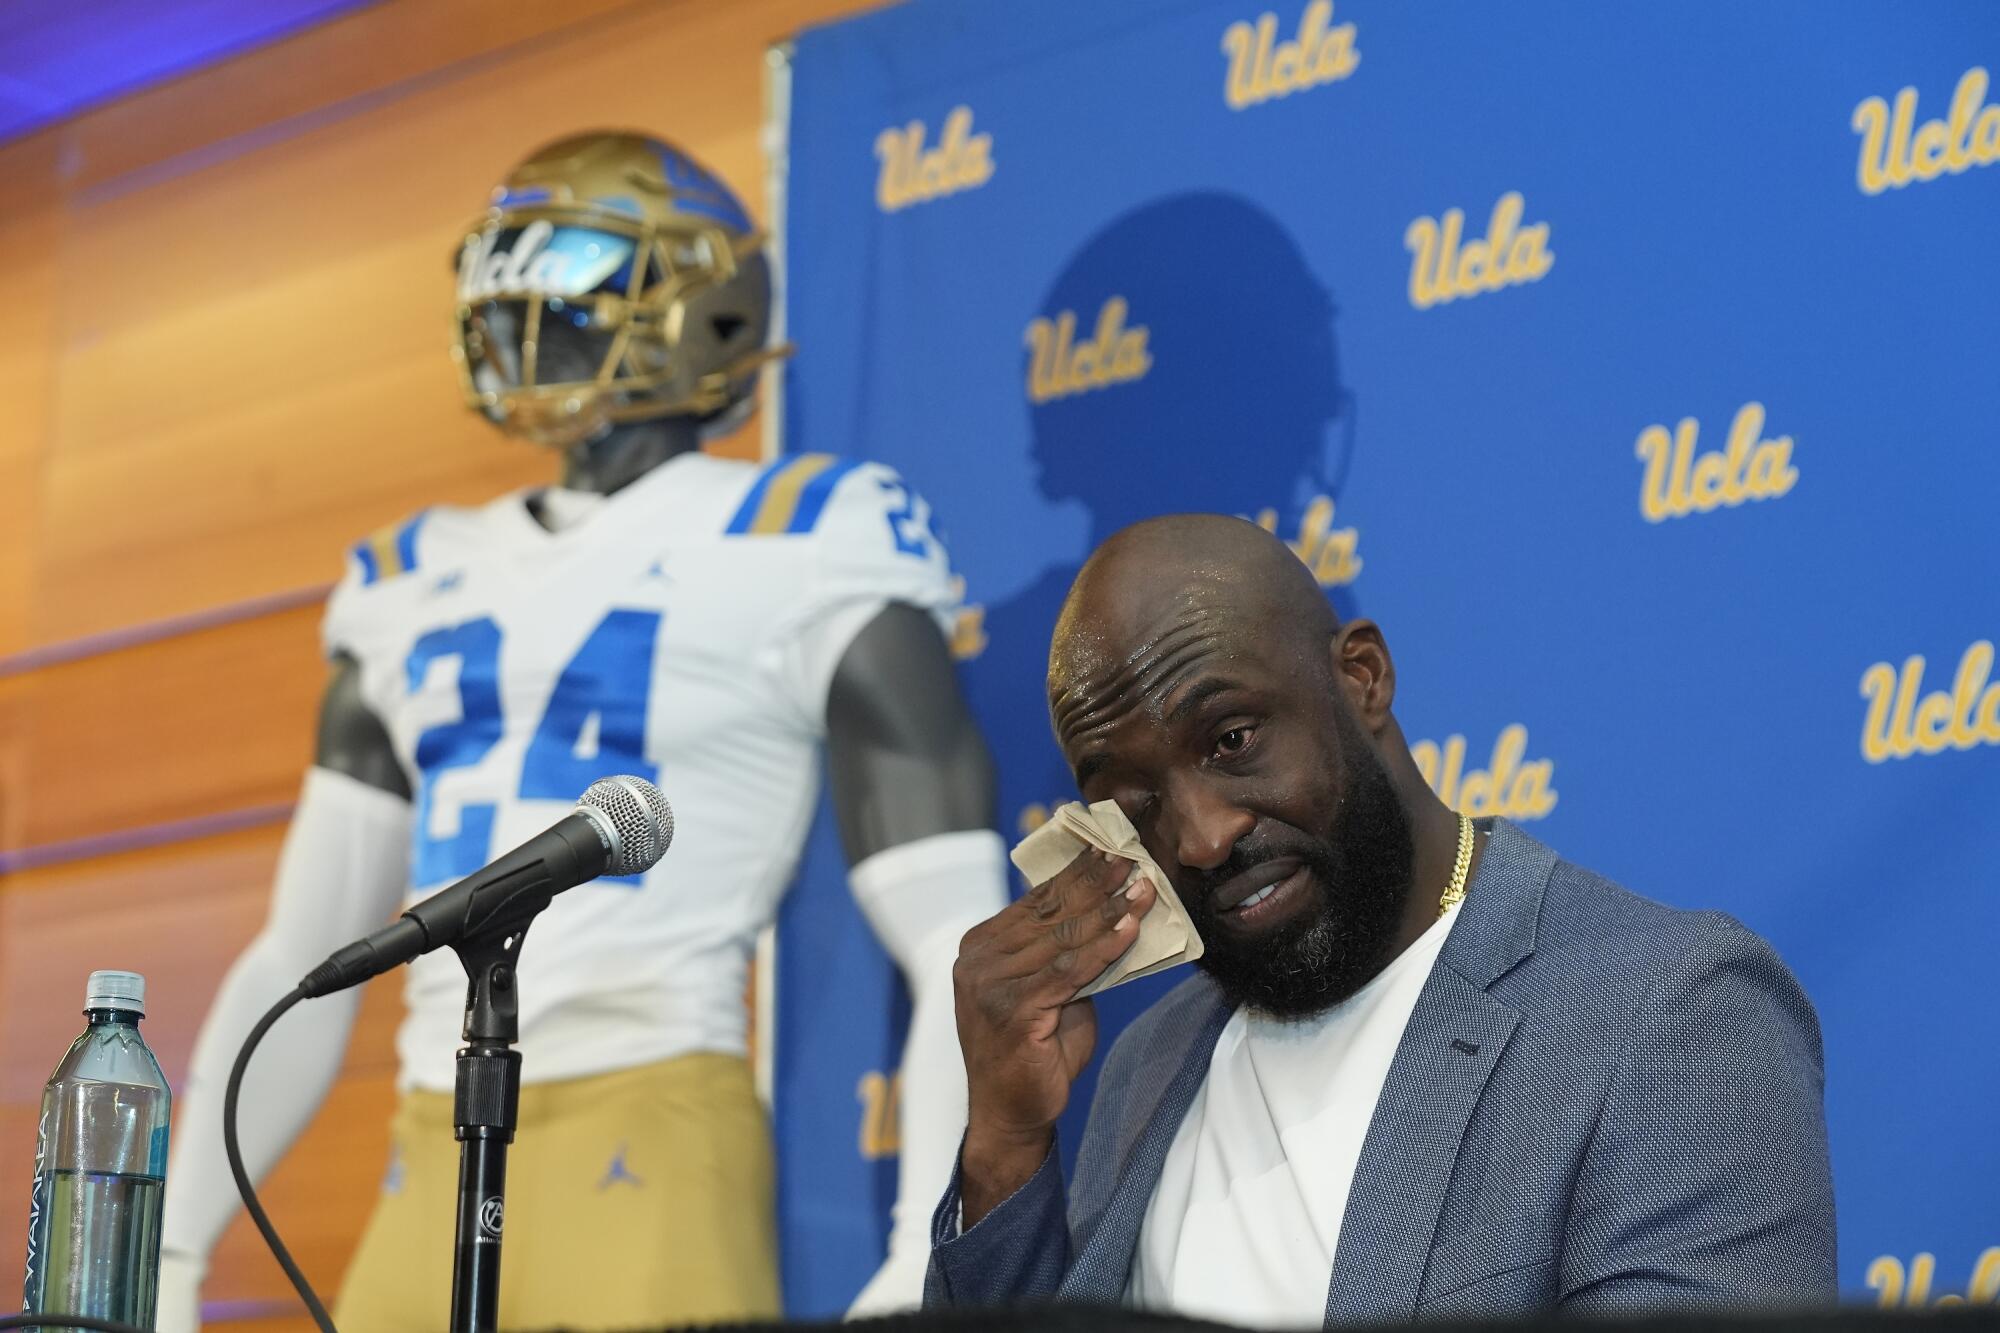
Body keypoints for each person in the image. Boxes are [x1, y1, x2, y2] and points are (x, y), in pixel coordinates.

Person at [156, 131, 1009, 1331]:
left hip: (654, 1134)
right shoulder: (406, 576)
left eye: (562, 266)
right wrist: (175, 1245)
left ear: (701, 308)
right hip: (424, 1137)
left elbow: (955, 940)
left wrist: (925, 1242)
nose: (521, 305)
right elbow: (296, 949)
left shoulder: (803, 531)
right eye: (506, 271)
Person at [933, 514, 1835, 1324]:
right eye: (1137, 803)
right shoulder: (1147, 1063)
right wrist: (1007, 1146)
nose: (1201, 837)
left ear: (1362, 677)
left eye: (1233, 739)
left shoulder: (1668, 1013)